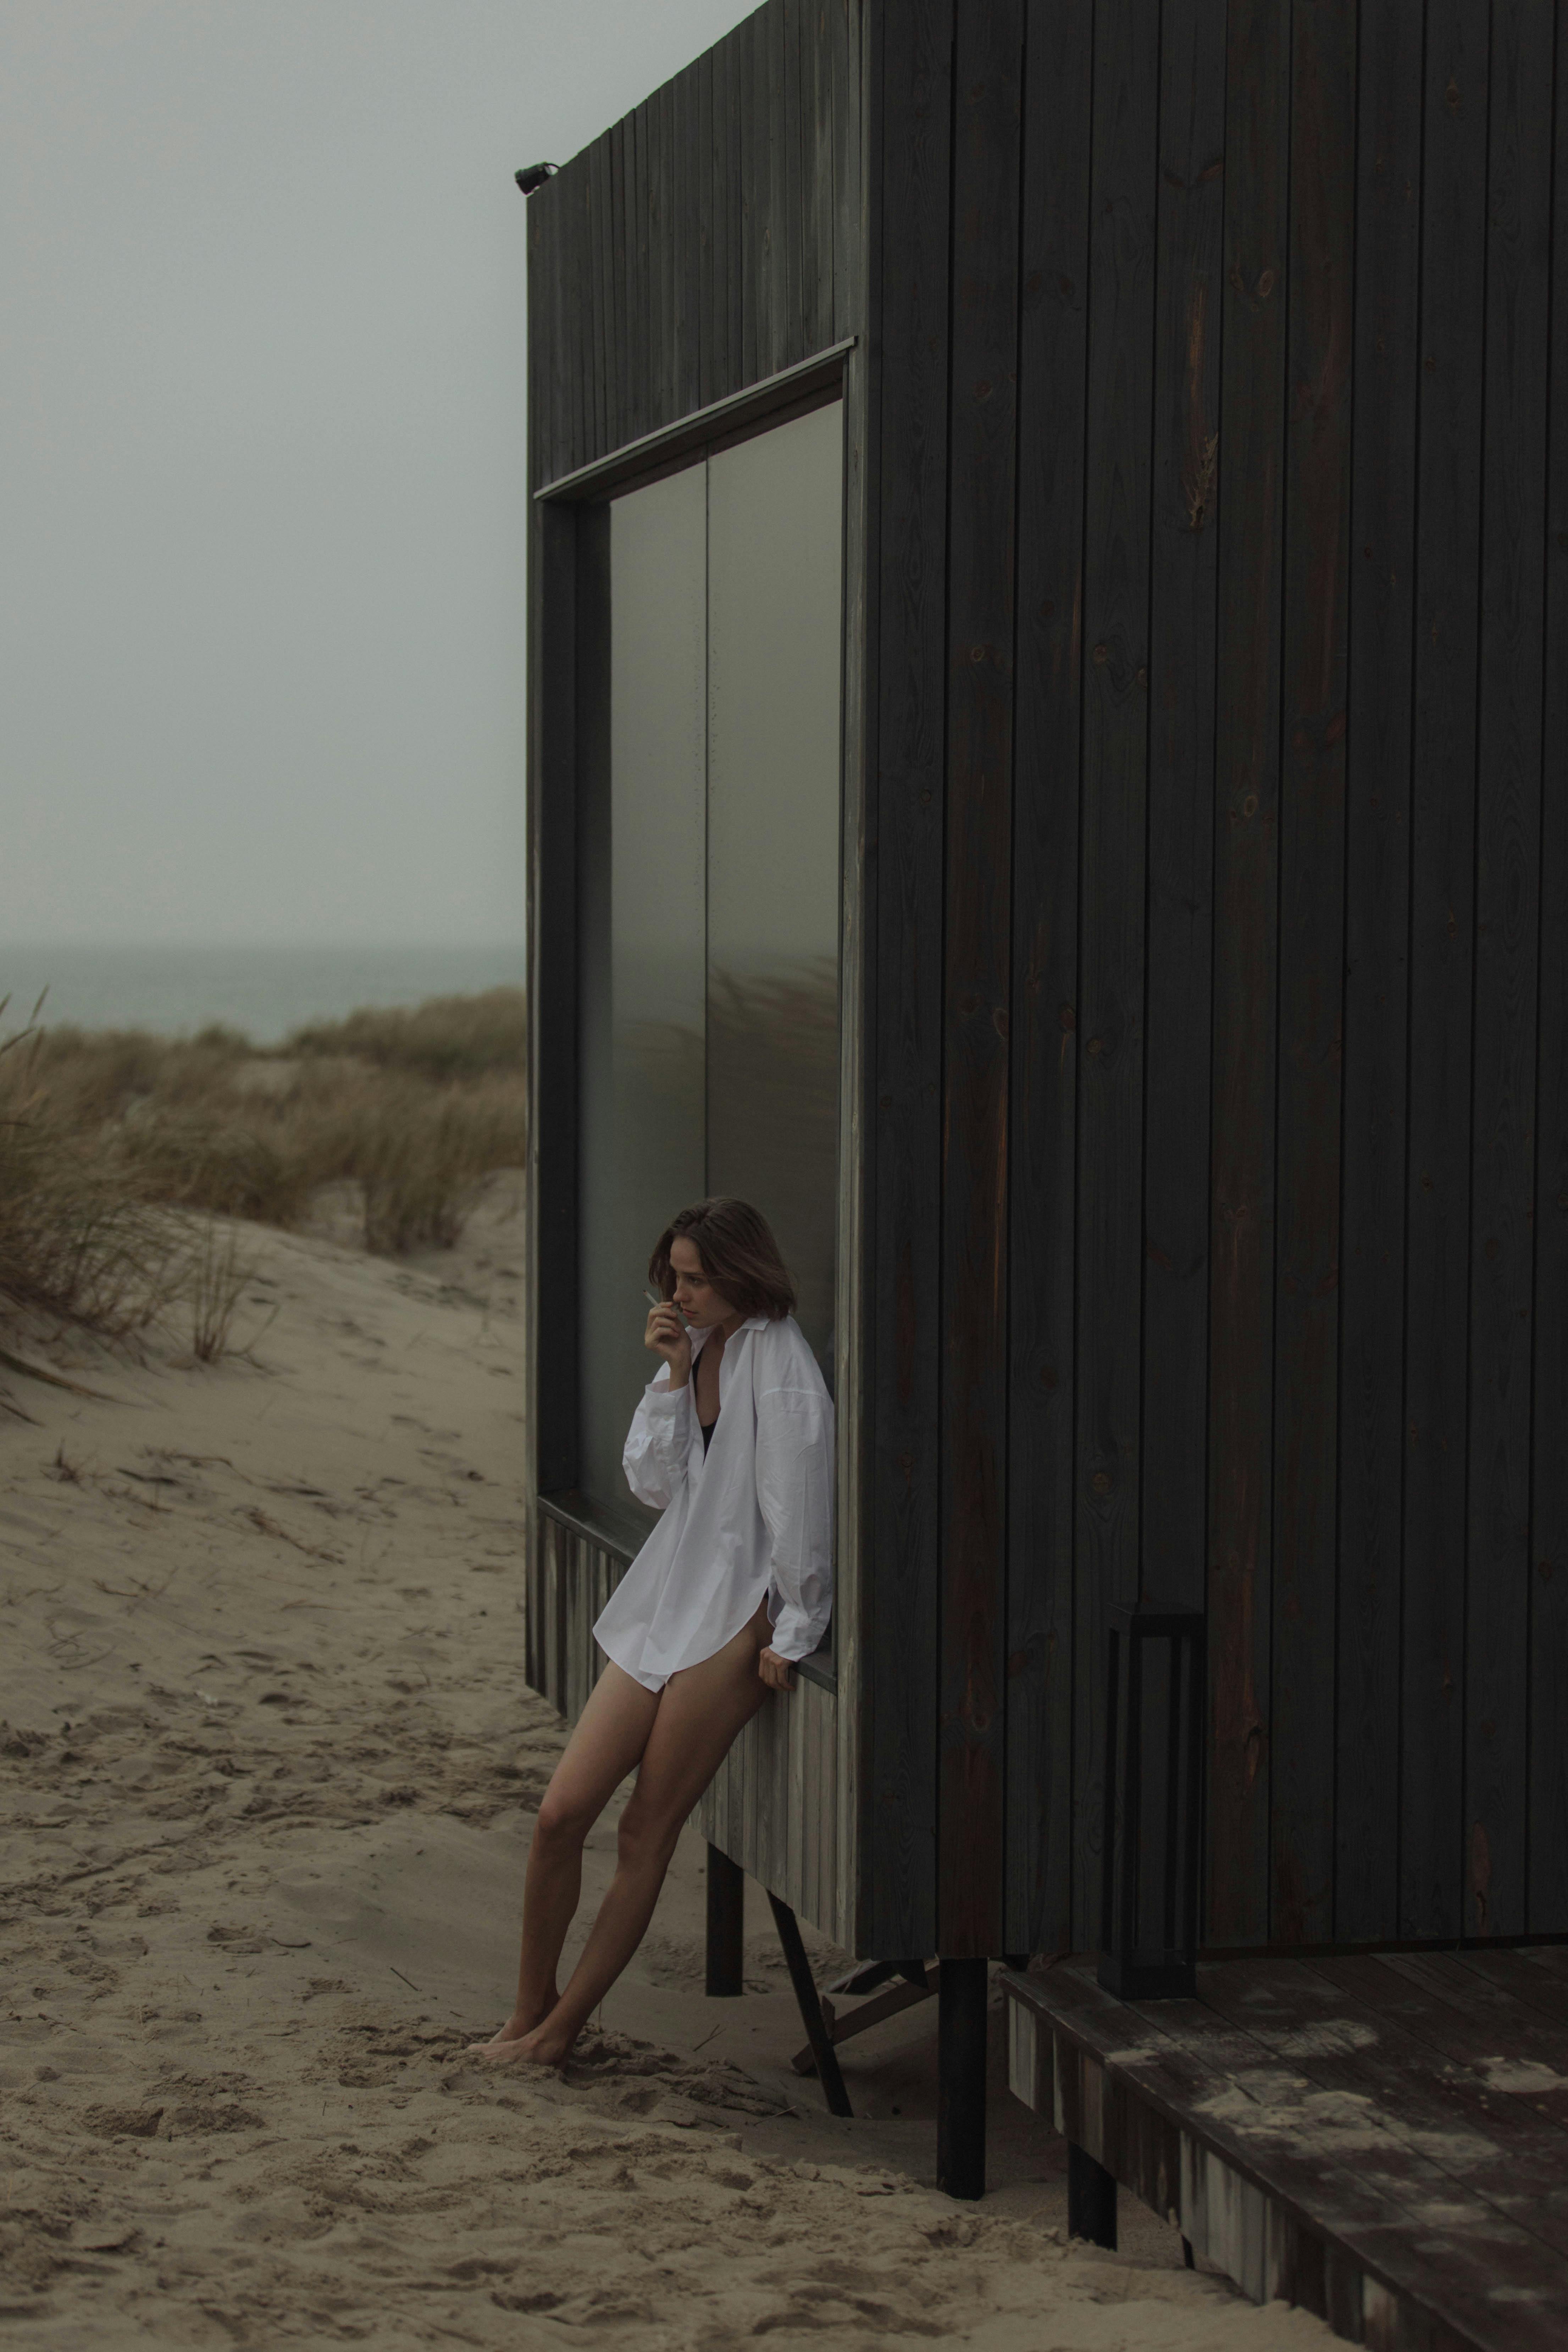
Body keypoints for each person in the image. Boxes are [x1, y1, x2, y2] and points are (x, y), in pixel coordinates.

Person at [470, 1196, 833, 2068]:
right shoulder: (699, 1344)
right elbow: (657, 1487)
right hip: (669, 1597)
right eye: (676, 1276)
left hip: (738, 1616)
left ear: (744, 1275)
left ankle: (559, 2035)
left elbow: (800, 1512)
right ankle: (529, 2009)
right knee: (560, 1814)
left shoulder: (781, 1365)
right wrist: (673, 1377)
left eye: (699, 1279)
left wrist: (796, 1629)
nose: (682, 1292)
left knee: (645, 1831)